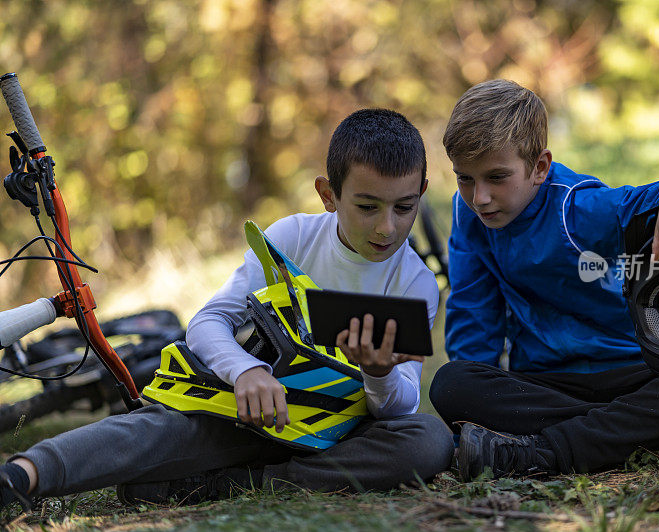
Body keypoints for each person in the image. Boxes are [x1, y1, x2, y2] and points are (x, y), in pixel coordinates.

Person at [0, 109, 453, 510]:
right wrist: (245, 371)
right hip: (241, 416)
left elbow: (399, 407)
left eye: (404, 207)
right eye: (368, 207)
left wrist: (378, 374)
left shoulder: (414, 284)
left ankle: (233, 486)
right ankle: (22, 475)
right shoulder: (292, 237)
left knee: (428, 440)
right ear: (328, 195)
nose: (387, 226)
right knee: (150, 431)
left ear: (422, 193)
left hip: (331, 437)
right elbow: (208, 322)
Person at [428, 79, 659, 480]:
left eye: (496, 178)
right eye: (465, 178)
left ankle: (540, 451)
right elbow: (473, 318)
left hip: (633, 372)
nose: (479, 196)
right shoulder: (470, 216)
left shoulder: (577, 208)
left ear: (539, 167)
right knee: (451, 383)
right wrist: (464, 421)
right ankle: (648, 433)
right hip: (546, 384)